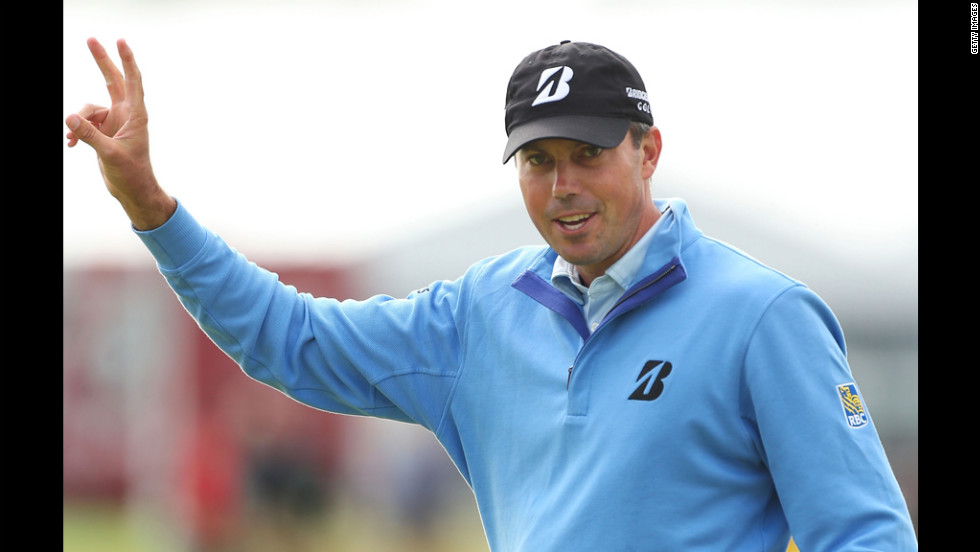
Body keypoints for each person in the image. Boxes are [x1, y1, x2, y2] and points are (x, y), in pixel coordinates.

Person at [66, 37, 917, 551]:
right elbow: (292, 341)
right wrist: (153, 209)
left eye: (588, 155)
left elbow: (865, 536)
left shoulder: (762, 316)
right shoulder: (480, 313)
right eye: (540, 162)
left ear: (648, 150)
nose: (563, 187)